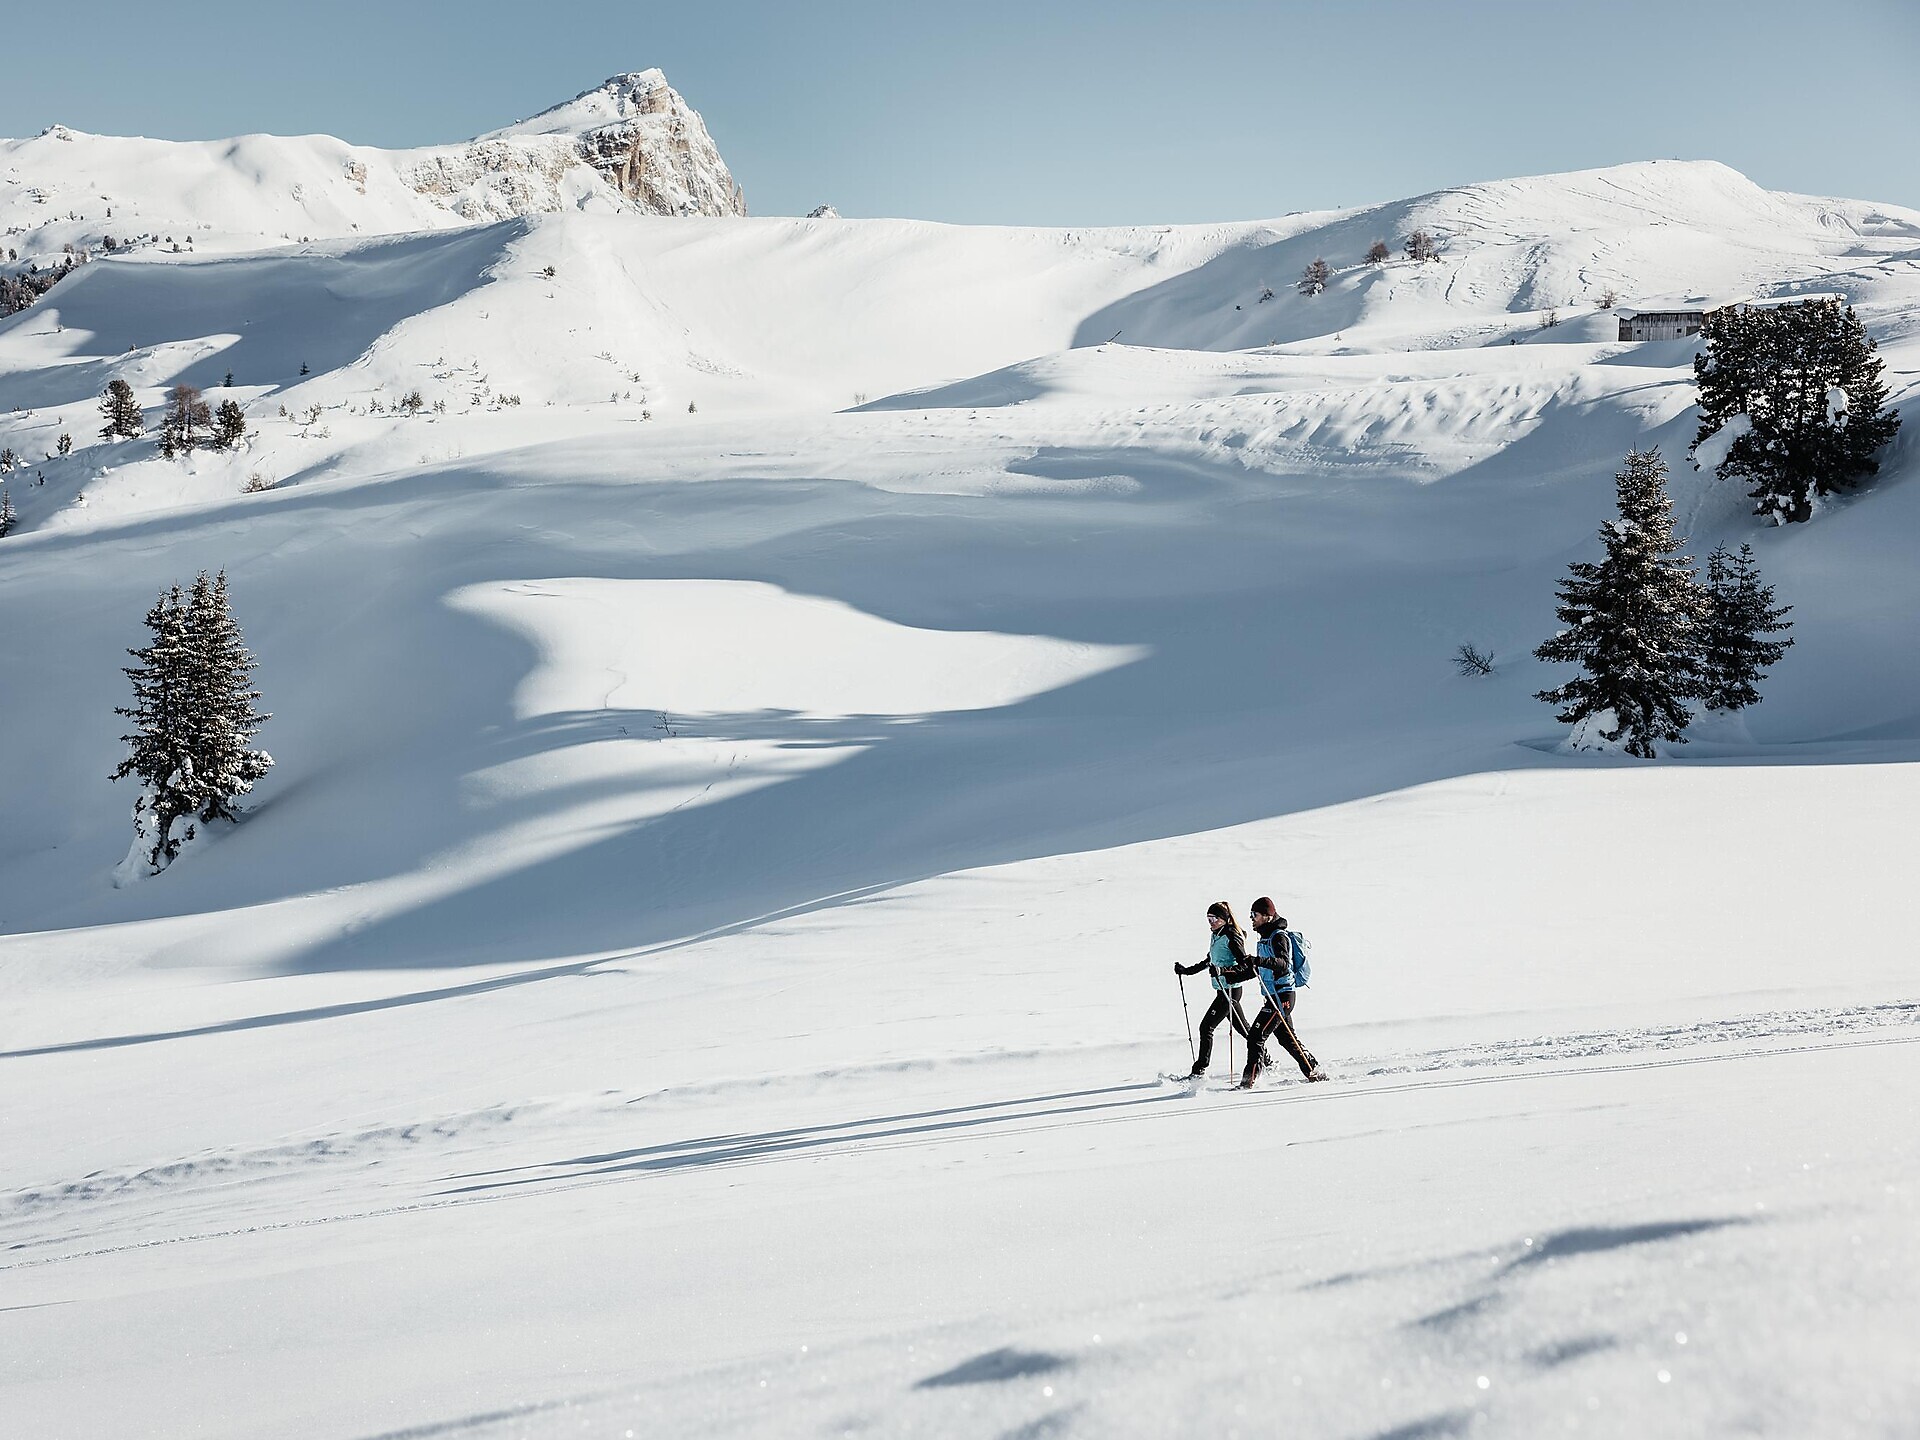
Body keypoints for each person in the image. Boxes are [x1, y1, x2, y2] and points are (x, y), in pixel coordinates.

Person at [1241, 897, 1325, 1087]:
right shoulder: (1265, 937)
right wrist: (1229, 976)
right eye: (1251, 915)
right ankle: (1314, 1071)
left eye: (1255, 915)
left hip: (1282, 995)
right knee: (1287, 1039)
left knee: (1256, 1036)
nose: (1251, 919)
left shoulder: (1278, 936)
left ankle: (1249, 1081)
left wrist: (1257, 960)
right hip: (1274, 995)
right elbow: (1258, 970)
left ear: (1267, 916)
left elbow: (1283, 963)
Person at [1174, 901, 1262, 1079]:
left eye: (1214, 918)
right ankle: (1265, 1058)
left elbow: (1245, 966)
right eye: (1208, 918)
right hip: (1222, 990)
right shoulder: (1216, 935)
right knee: (1244, 1029)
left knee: (1206, 1027)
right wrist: (1186, 971)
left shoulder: (1231, 935)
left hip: (1230, 990)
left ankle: (1199, 1070)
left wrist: (1223, 972)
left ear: (1224, 919)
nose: (1210, 921)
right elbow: (1209, 961)